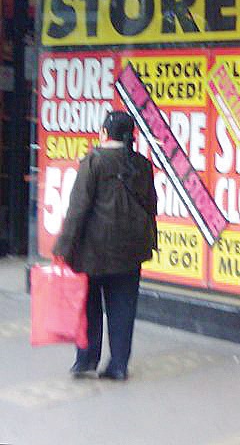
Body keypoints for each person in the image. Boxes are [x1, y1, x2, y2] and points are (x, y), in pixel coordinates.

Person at [53, 110, 158, 381]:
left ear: (103, 133)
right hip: (131, 251)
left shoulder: (94, 161)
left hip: (94, 252)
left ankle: (87, 360)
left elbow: (78, 208)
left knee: (90, 307)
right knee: (123, 309)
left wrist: (63, 247)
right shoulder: (142, 164)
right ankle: (119, 365)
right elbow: (151, 206)